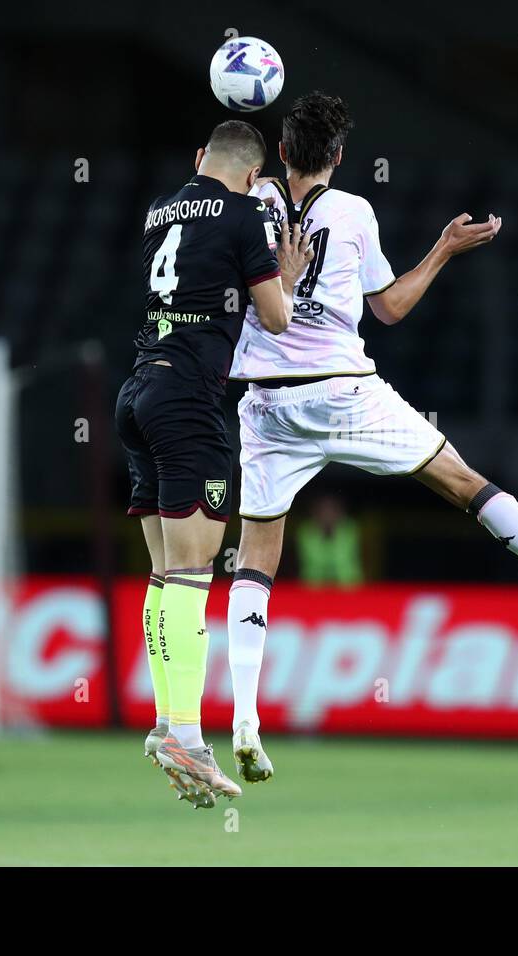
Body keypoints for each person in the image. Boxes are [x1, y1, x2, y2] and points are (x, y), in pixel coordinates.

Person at [224, 92, 518, 785]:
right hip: (340, 388)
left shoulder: (249, 198)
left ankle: (244, 718)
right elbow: (388, 309)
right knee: (461, 480)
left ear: (281, 151)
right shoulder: (354, 212)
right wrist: (445, 249)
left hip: (265, 401)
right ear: (337, 157)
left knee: (256, 557)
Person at [115, 119, 311, 809]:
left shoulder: (159, 210)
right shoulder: (245, 216)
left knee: (166, 574)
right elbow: (278, 319)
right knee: (193, 579)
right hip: (190, 401)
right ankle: (187, 737)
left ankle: (169, 723)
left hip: (137, 391)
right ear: (257, 178)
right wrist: (283, 276)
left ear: (199, 158)